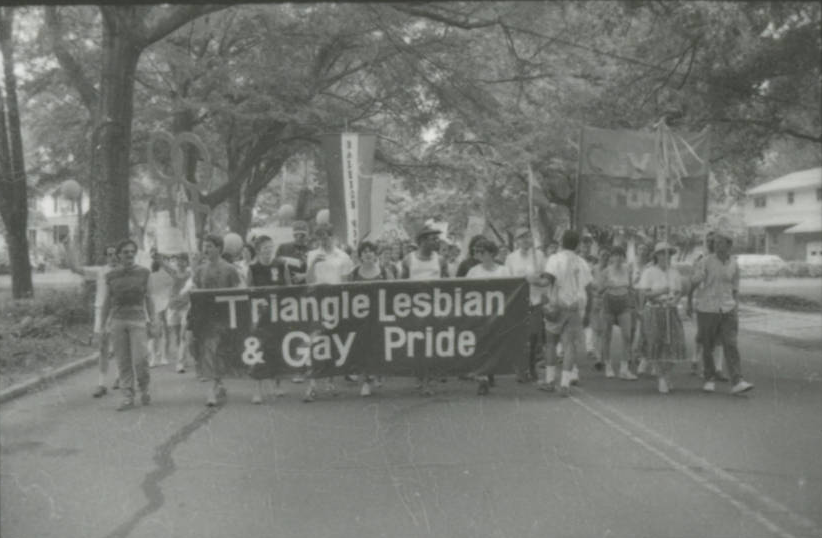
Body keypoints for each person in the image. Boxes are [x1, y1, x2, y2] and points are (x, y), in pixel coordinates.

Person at [691, 230, 753, 395]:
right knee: (708, 345)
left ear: (729, 245)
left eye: (719, 243)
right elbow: (695, 282)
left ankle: (737, 381)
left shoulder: (734, 263)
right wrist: (692, 296)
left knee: (731, 344)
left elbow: (735, 287)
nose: (715, 245)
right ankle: (709, 378)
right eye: (714, 243)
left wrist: (736, 306)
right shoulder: (705, 261)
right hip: (707, 308)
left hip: (728, 308)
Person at [101, 239, 157, 411]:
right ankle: (127, 396)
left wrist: (153, 321)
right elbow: (106, 301)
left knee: (140, 359)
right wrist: (103, 325)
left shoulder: (144, 273)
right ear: (118, 255)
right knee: (123, 361)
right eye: (125, 252)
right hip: (117, 321)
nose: (130, 255)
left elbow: (149, 298)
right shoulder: (111, 276)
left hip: (138, 320)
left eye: (132, 251)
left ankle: (144, 387)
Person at [303, 222, 354, 402]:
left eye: (326, 236)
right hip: (317, 304)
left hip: (335, 304)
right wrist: (313, 265)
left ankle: (331, 381)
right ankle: (312, 385)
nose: (323, 240)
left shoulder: (343, 256)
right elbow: (308, 281)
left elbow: (347, 283)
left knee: (332, 341)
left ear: (333, 237)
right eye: (320, 237)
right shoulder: (312, 255)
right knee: (314, 341)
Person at [540, 230, 593, 397]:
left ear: (562, 242)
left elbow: (546, 281)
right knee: (570, 345)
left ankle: (549, 381)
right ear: (577, 244)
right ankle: (564, 384)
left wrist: (532, 279)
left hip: (556, 306)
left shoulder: (554, 259)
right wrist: (588, 311)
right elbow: (589, 287)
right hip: (576, 307)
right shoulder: (583, 262)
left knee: (551, 343)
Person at [192, 234, 243, 406]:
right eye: (204, 246)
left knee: (219, 352)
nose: (205, 250)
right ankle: (213, 387)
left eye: (210, 246)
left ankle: (217, 384)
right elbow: (195, 291)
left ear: (219, 248)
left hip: (224, 317)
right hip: (205, 317)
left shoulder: (230, 269)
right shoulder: (199, 270)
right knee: (207, 351)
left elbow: (238, 292)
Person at [67, 241, 120, 397]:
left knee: (120, 346)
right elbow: (74, 269)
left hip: (119, 312)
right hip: (101, 311)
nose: (113, 257)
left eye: (115, 253)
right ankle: (101, 384)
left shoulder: (125, 271)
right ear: (105, 257)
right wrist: (67, 247)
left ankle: (120, 377)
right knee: (103, 348)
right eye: (109, 254)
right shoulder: (100, 271)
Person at [246, 235, 292, 404]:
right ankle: (257, 389)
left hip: (279, 314)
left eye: (270, 247)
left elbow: (289, 288)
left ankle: (277, 383)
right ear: (258, 251)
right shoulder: (253, 268)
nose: (268, 251)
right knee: (259, 350)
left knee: (278, 348)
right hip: (260, 316)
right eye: (265, 248)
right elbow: (248, 291)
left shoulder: (280, 265)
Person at [637, 241, 686, 394]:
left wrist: (675, 300)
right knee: (656, 345)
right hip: (654, 310)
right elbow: (645, 293)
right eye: (663, 254)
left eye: (669, 254)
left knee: (675, 343)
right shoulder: (649, 272)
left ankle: (666, 374)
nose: (667, 257)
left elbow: (678, 292)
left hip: (670, 311)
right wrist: (660, 293)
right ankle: (662, 377)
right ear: (657, 256)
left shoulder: (674, 272)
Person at [467, 238, 511, 394]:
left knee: (494, 344)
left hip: (497, 314)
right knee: (481, 344)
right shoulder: (473, 272)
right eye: (476, 251)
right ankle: (482, 378)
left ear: (491, 253)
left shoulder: (503, 271)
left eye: (482, 252)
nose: (478, 254)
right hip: (479, 314)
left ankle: (490, 371)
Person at [504, 227, 547, 383]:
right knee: (520, 336)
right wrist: (524, 279)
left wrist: (538, 280)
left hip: (535, 300)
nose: (526, 240)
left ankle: (531, 365)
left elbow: (546, 278)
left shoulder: (539, 256)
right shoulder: (511, 258)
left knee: (534, 335)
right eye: (522, 237)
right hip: (517, 302)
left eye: (528, 237)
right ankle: (520, 370)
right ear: (517, 241)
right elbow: (507, 280)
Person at [349, 240, 390, 397]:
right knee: (364, 350)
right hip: (361, 319)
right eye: (364, 251)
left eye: (370, 251)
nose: (367, 254)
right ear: (360, 255)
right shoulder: (354, 273)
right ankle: (366, 381)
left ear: (375, 254)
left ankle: (377, 374)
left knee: (378, 348)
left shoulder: (384, 272)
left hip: (380, 317)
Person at [686, 231, 728, 380]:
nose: (712, 244)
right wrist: (689, 301)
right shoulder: (702, 261)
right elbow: (693, 282)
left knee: (719, 338)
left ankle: (717, 369)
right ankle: (695, 360)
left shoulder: (726, 261)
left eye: (715, 241)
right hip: (704, 305)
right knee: (703, 336)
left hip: (722, 306)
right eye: (709, 241)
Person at [597, 245, 638, 380]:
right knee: (606, 335)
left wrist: (634, 303)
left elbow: (631, 287)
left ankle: (624, 368)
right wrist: (606, 286)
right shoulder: (606, 271)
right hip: (609, 303)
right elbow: (598, 290)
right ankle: (608, 365)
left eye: (621, 255)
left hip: (624, 303)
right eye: (616, 255)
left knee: (627, 335)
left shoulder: (628, 269)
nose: (619, 258)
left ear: (624, 257)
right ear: (611, 257)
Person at [157, 253, 192, 374]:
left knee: (183, 335)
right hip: (173, 306)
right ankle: (182, 357)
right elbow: (163, 264)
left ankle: (180, 363)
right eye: (178, 261)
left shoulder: (190, 274)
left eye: (183, 261)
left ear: (187, 262)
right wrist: (157, 256)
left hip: (185, 306)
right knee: (177, 336)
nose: (180, 263)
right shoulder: (174, 272)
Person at [147, 252, 174, 368]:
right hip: (164, 304)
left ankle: (154, 357)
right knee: (164, 332)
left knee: (154, 333)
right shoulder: (166, 275)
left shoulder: (150, 276)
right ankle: (163, 356)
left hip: (155, 304)